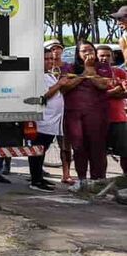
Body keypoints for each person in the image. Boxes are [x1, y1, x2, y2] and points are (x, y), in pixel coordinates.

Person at [63, 40, 115, 191]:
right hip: (75, 114)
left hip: (97, 114)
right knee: (79, 147)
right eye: (84, 51)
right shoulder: (70, 67)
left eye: (90, 50)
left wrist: (90, 70)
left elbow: (103, 85)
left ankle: (98, 180)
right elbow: (65, 87)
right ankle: (82, 180)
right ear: (78, 54)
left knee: (97, 147)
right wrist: (85, 73)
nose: (88, 53)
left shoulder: (103, 67)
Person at [29, 46, 70, 192]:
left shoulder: (49, 74)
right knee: (38, 151)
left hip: (53, 121)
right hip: (43, 121)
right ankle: (35, 180)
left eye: (51, 59)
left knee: (43, 151)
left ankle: (39, 177)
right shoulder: (37, 76)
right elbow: (43, 96)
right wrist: (59, 84)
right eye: (45, 59)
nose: (49, 62)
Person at [45, 40, 74, 183]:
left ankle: (66, 173)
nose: (56, 52)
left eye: (58, 49)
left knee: (65, 144)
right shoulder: (44, 69)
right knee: (43, 143)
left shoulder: (68, 67)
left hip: (66, 109)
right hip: (49, 113)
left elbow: (73, 84)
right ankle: (38, 171)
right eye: (52, 49)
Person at [97, 44, 127, 157]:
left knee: (124, 152)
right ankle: (101, 175)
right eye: (101, 55)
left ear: (112, 57)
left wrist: (106, 94)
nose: (104, 58)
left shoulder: (120, 72)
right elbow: (94, 97)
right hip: (98, 119)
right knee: (100, 153)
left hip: (118, 118)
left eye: (108, 55)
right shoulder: (92, 74)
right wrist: (117, 90)